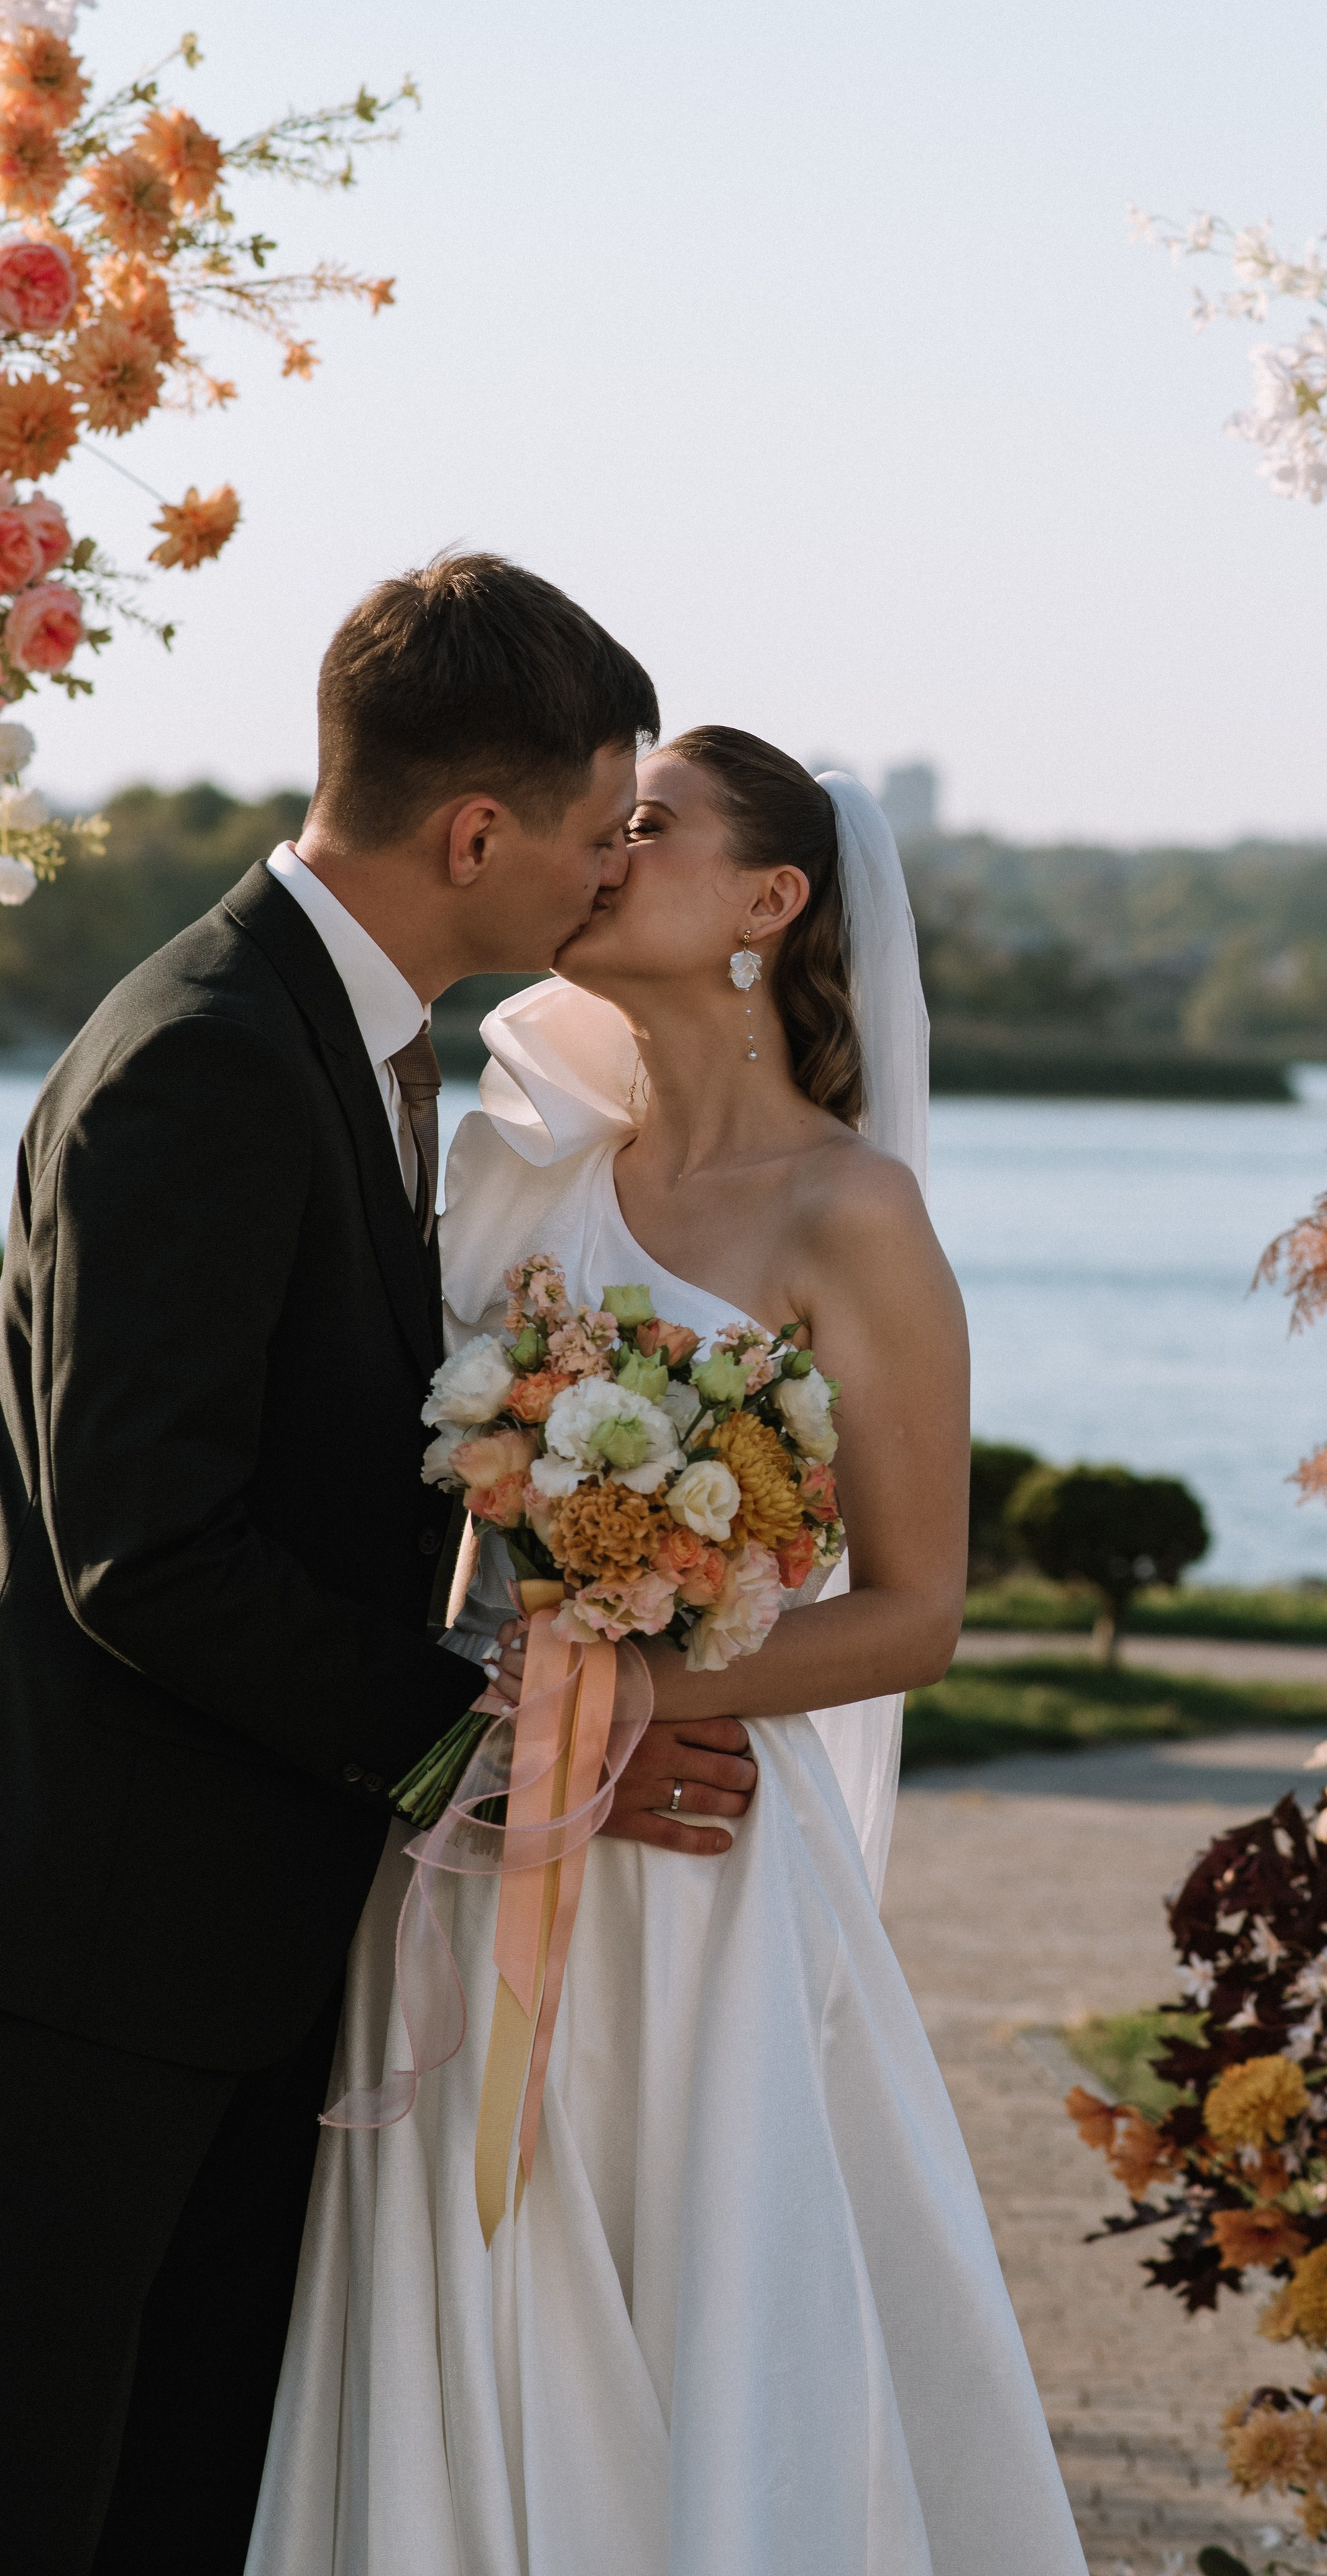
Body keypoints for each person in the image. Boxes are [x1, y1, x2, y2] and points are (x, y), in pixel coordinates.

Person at [249, 729, 1087, 2573]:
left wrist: (616, 1704)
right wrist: (501, 1730)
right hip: (470, 1835)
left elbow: (915, 1609)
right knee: (456, 2299)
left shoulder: (849, 1211)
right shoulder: (519, 1172)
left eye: (647, 826)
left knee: (698, 2308)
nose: (599, 850)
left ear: (768, 905)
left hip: (693, 1860)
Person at [0, 556, 763, 2576]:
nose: (610, 878)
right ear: (476, 831)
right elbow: (144, 1550)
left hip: (233, 1945)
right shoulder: (205, 1059)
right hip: (96, 1964)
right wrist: (480, 1755)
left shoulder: (352, 1042)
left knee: (176, 2502)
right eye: (603, 835)